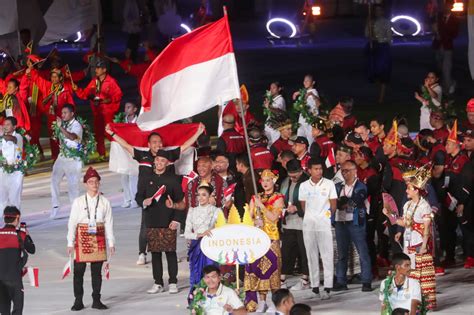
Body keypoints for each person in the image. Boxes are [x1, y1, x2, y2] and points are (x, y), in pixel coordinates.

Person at [106, 123, 205, 265]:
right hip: (148, 197)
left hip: (167, 197)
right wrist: (112, 134)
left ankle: (171, 251)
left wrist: (198, 132)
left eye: (159, 142)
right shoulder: (142, 155)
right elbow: (126, 145)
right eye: (154, 142)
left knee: (169, 224)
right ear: (149, 144)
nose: (157, 144)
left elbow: (185, 146)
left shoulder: (169, 155)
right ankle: (142, 253)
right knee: (146, 224)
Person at [383, 163, 436, 310]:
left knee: (421, 274)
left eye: (409, 188)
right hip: (409, 242)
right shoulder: (407, 205)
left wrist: (424, 245)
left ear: (416, 190)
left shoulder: (424, 206)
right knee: (410, 273)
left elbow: (426, 228)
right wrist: (389, 214)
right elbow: (404, 222)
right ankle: (413, 301)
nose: (406, 190)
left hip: (419, 243)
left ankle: (425, 303)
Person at [135, 151, 186, 294]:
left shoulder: (173, 180)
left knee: (170, 253)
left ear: (167, 163)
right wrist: (143, 202)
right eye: (157, 160)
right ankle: (158, 282)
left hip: (168, 221)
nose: (159, 163)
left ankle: (173, 282)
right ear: (154, 161)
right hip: (151, 221)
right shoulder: (146, 178)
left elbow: (180, 202)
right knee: (155, 254)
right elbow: (138, 197)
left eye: (163, 160)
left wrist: (177, 220)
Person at [67, 167, 115, 311]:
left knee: (96, 272)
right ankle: (78, 300)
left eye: (96, 181)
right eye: (90, 181)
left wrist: (111, 242)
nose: (94, 184)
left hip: (99, 236)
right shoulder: (78, 202)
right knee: (79, 272)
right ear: (85, 184)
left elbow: (109, 223)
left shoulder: (105, 202)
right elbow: (72, 223)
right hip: (82, 237)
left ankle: (96, 299)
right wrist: (70, 242)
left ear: (99, 183)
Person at [244, 169, 284, 313]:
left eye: (268, 180)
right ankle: (261, 302)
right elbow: (248, 217)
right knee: (259, 269)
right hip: (258, 239)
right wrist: (255, 221)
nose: (265, 183)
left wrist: (262, 207)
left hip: (271, 238)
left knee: (273, 270)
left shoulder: (278, 197)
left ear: (274, 181)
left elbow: (274, 217)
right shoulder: (256, 197)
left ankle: (275, 302)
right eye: (263, 180)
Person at [299, 158, 337, 299]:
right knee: (311, 255)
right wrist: (311, 217)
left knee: (327, 255)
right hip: (308, 225)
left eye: (320, 169)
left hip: (324, 224)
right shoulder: (303, 186)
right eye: (315, 169)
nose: (319, 171)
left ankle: (328, 286)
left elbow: (333, 204)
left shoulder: (329, 184)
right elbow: (303, 205)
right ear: (309, 170)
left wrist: (326, 217)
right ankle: (315, 286)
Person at [333, 160, 373, 292]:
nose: (344, 173)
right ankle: (341, 280)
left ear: (355, 171)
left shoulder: (361, 186)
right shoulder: (338, 186)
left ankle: (366, 281)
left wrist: (344, 203)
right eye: (342, 171)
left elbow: (357, 200)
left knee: (362, 252)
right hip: (340, 222)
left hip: (355, 223)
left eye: (347, 170)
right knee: (342, 254)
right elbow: (333, 201)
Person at [74, 59, 123, 159]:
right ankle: (102, 154)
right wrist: (77, 89)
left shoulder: (111, 81)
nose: (96, 70)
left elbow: (119, 95)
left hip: (108, 112)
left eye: (98, 68)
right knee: (99, 133)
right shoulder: (94, 82)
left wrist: (108, 100)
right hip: (97, 111)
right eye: (95, 68)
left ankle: (120, 152)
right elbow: (85, 94)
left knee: (109, 133)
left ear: (104, 70)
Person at [24, 65, 75, 159]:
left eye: (56, 77)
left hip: (64, 119)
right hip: (52, 118)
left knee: (65, 138)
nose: (53, 79)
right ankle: (55, 158)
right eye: (52, 76)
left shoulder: (65, 89)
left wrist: (70, 117)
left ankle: (68, 156)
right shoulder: (47, 86)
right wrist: (31, 69)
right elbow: (37, 79)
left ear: (60, 78)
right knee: (53, 138)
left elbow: (71, 105)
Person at [184, 182, 221, 301]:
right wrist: (199, 235)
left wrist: (212, 231)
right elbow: (186, 233)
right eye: (198, 195)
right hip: (196, 246)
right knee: (196, 273)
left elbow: (222, 228)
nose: (200, 198)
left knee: (211, 272)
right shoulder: (192, 211)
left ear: (210, 196)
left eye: (204, 195)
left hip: (211, 246)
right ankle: (197, 299)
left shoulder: (216, 211)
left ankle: (213, 299)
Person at [279, 159, 309, 290]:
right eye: (290, 175)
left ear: (301, 170)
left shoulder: (308, 182)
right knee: (286, 252)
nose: (293, 178)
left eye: (295, 175)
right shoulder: (285, 182)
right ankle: (282, 279)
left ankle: (305, 280)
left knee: (304, 252)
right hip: (289, 223)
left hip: (303, 223)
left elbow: (312, 200)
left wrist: (297, 208)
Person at [0, 206, 35, 315]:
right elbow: (32, 250)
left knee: (4, 310)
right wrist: (27, 235)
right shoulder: (21, 234)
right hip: (14, 278)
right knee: (17, 309)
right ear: (17, 218)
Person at [50, 104, 83, 219]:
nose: (63, 115)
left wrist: (60, 128)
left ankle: (75, 210)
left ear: (72, 114)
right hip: (62, 157)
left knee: (73, 185)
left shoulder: (76, 125)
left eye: (65, 113)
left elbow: (72, 137)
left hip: (73, 159)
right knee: (54, 180)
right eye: (62, 113)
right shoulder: (63, 124)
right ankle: (55, 206)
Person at [365, 5, 392, 104]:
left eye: (379, 10)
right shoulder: (371, 22)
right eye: (376, 10)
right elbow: (367, 34)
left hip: (383, 47)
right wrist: (370, 29)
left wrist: (385, 46)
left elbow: (389, 37)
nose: (377, 12)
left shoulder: (386, 22)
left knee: (383, 71)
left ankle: (381, 97)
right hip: (373, 47)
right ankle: (378, 92)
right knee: (373, 72)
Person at [433, 4, 459, 94]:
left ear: (451, 8)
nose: (445, 9)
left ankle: (448, 89)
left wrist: (444, 35)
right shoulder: (439, 16)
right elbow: (434, 27)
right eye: (444, 7)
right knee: (440, 68)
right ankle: (447, 85)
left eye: (447, 7)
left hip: (447, 47)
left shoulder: (455, 19)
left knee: (446, 68)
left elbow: (455, 34)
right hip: (438, 46)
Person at [0, 117, 24, 210]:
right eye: (4, 124)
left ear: (14, 127)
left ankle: (15, 223)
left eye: (8, 124)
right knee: (2, 198)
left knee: (15, 198)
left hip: (16, 172)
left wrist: (2, 135)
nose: (5, 126)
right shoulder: (2, 138)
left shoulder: (18, 136)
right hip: (3, 170)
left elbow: (12, 139)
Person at [119, 102, 139, 209]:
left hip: (134, 151)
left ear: (135, 109)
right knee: (124, 176)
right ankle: (127, 199)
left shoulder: (139, 121)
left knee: (133, 176)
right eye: (125, 107)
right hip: (123, 152)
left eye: (128, 107)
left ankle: (135, 200)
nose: (126, 109)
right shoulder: (121, 121)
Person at [293, 74, 320, 145]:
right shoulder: (305, 92)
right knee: (299, 141)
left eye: (307, 81)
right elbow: (303, 92)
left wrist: (313, 95)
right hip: (302, 121)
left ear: (313, 82)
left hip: (311, 121)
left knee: (310, 142)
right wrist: (297, 93)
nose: (305, 82)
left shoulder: (314, 92)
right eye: (304, 81)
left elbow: (318, 104)